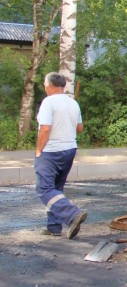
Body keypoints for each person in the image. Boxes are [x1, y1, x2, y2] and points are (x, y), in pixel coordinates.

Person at [34, 72, 87, 239]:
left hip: (51, 151)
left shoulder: (48, 102)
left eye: (44, 84)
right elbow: (80, 128)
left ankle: (72, 215)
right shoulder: (73, 103)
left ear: (49, 85)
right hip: (69, 149)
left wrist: (38, 150)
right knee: (56, 188)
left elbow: (45, 128)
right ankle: (54, 227)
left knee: (44, 189)